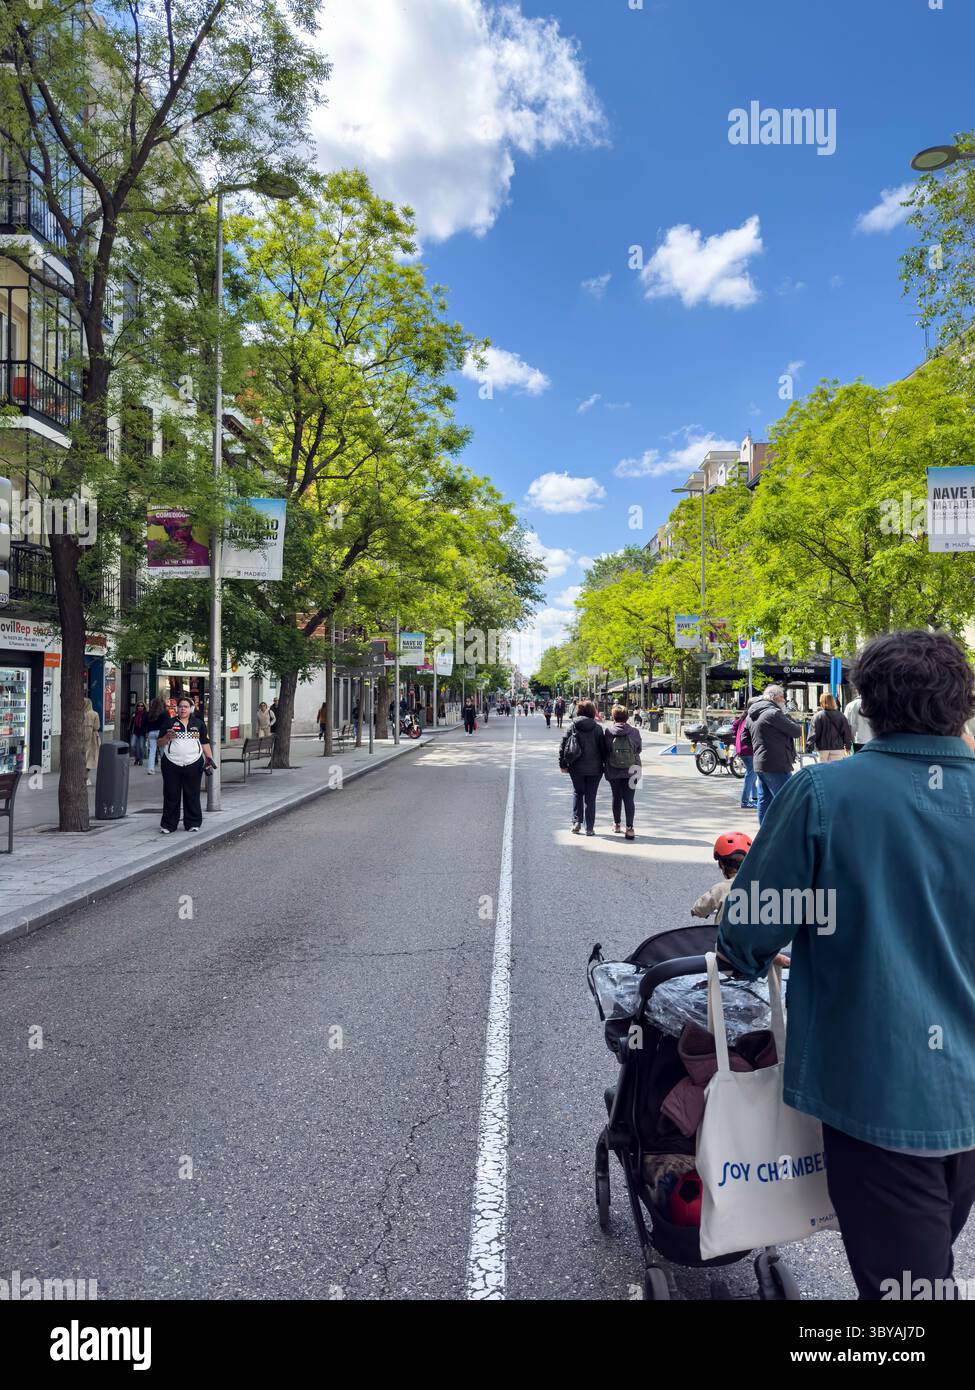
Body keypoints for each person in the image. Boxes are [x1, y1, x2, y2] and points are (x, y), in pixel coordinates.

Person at [717, 630, 975, 1301]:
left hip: (883, 1089)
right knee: (923, 1270)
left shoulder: (823, 793)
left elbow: (747, 935)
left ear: (864, 704)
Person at [744, 684, 802, 825]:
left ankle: (763, 834)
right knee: (787, 800)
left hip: (760, 763)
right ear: (775, 698)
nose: (784, 701)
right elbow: (796, 731)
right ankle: (787, 836)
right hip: (777, 763)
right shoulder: (774, 713)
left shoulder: (751, 715)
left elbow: (744, 739)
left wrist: (761, 747)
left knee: (765, 801)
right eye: (783, 697)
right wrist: (787, 716)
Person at [158, 694, 214, 834]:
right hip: (171, 763)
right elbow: (159, 742)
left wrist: (209, 759)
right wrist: (166, 737)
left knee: (192, 794)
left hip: (194, 763)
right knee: (171, 794)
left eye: (186, 707)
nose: (183, 709)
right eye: (180, 706)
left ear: (191, 709)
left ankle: (193, 823)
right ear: (176, 708)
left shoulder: (199, 724)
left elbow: (205, 742)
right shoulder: (169, 723)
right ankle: (168, 825)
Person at [559, 698, 605, 836]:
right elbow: (603, 749)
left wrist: (563, 764)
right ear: (592, 712)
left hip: (576, 767)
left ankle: (577, 822)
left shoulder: (572, 726)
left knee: (578, 792)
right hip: (595, 768)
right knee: (591, 797)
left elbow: (563, 746)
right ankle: (589, 828)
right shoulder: (597, 728)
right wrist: (605, 765)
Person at [691, 831, 752, 921]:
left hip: (727, 935)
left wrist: (695, 911)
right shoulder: (762, 885)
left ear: (721, 865)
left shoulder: (720, 889)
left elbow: (700, 908)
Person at [602, 704, 642, 840]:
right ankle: (630, 829)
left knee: (616, 796)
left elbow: (605, 750)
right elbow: (639, 749)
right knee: (629, 799)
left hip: (613, 769)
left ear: (613, 717)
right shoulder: (635, 732)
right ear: (627, 717)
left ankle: (617, 824)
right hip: (633, 769)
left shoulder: (608, 731)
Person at [731, 698, 760, 810]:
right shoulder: (752, 717)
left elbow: (734, 726)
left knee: (752, 773)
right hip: (748, 749)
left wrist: (738, 736)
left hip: (741, 749)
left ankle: (754, 797)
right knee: (751, 773)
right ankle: (745, 801)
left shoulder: (744, 716)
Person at [808, 692, 852, 763]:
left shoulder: (817, 716)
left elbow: (813, 733)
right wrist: (848, 746)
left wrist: (809, 748)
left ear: (821, 702)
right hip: (838, 748)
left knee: (823, 772)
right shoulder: (841, 716)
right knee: (835, 772)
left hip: (822, 749)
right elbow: (846, 732)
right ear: (832, 701)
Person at [145, 696, 167, 775]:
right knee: (163, 751)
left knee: (152, 751)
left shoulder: (150, 713)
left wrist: (147, 732)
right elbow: (166, 724)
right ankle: (165, 768)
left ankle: (151, 769)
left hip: (151, 733)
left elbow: (146, 723)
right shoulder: (164, 713)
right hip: (160, 733)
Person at [82, 697, 101, 788]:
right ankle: (86, 777)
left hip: (81, 735)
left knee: (84, 756)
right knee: (90, 758)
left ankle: (84, 777)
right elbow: (97, 727)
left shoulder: (81, 714)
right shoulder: (94, 714)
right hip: (92, 737)